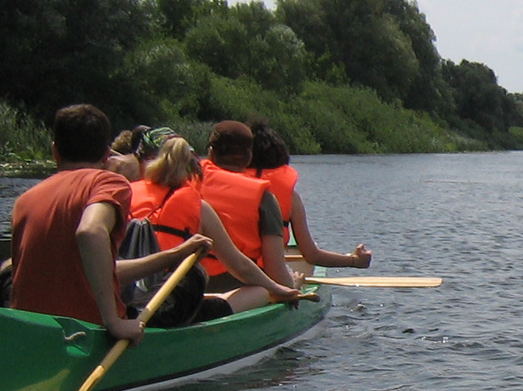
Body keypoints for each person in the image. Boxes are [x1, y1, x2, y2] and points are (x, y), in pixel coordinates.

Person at [8, 104, 210, 343]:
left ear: (55, 152)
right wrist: (113, 322)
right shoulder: (108, 183)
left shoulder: (24, 200)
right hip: (87, 331)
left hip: (30, 330)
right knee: (195, 275)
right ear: (106, 154)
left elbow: (100, 270)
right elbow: (90, 231)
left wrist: (176, 254)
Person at [131, 136, 301, 318]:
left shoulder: (129, 194)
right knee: (260, 291)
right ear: (195, 173)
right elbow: (240, 267)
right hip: (167, 307)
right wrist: (280, 288)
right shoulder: (199, 207)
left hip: (125, 297)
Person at [248, 120, 372, 269]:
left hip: (226, 274)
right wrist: (354, 261)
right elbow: (311, 255)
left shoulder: (224, 189)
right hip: (267, 276)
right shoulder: (291, 198)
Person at [199, 121, 299, 290]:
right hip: (240, 287)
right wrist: (294, 285)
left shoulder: (185, 183)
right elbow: (276, 273)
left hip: (190, 282)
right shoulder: (263, 197)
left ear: (211, 153)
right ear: (249, 156)